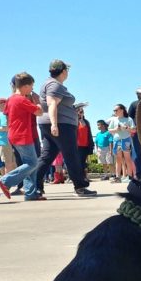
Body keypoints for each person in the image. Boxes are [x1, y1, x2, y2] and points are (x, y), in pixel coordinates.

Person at [35, 60, 96, 197]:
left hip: (51, 122)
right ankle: (80, 186)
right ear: (63, 71)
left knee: (47, 155)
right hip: (61, 125)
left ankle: (35, 186)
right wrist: (54, 124)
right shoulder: (54, 85)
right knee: (71, 155)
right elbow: (52, 104)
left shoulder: (50, 83)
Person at [0, 72, 45, 201]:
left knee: (29, 164)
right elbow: (39, 112)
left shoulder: (10, 99)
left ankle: (31, 193)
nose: (32, 90)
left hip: (14, 134)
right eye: (31, 87)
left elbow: (7, 114)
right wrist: (38, 103)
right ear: (25, 86)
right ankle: (5, 180)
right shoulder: (22, 99)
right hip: (22, 135)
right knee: (32, 163)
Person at [107, 104, 136, 181]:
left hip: (126, 140)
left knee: (128, 159)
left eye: (116, 110)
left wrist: (126, 128)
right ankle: (117, 177)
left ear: (122, 110)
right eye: (114, 110)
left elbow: (134, 130)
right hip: (117, 140)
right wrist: (116, 129)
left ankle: (130, 176)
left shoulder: (129, 119)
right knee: (118, 159)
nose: (115, 112)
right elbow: (109, 130)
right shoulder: (114, 120)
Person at [0, 97, 14, 177]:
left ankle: (7, 181)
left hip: (5, 141)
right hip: (7, 141)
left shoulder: (4, 115)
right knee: (11, 162)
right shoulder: (7, 113)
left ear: (3, 104)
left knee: (7, 163)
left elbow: (6, 128)